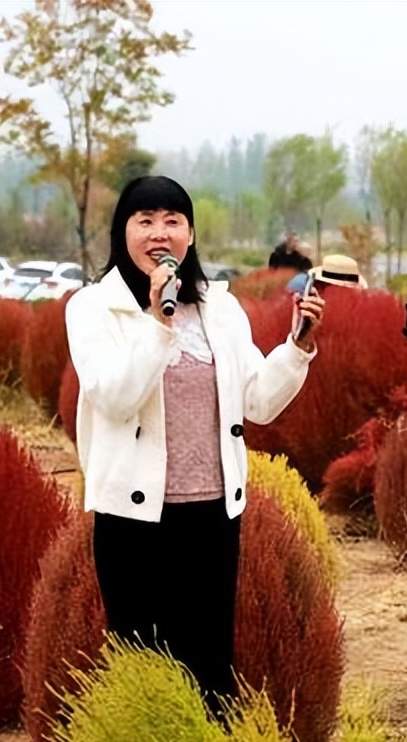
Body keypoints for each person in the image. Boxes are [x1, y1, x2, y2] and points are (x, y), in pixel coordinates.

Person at [64, 176, 325, 706]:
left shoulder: (219, 310)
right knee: (145, 673)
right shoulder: (93, 308)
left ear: (191, 233)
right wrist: (159, 321)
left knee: (210, 670)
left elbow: (258, 402)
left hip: (212, 517)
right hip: (135, 522)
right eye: (145, 220)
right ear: (123, 233)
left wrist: (298, 346)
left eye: (172, 221)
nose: (159, 233)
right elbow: (114, 396)